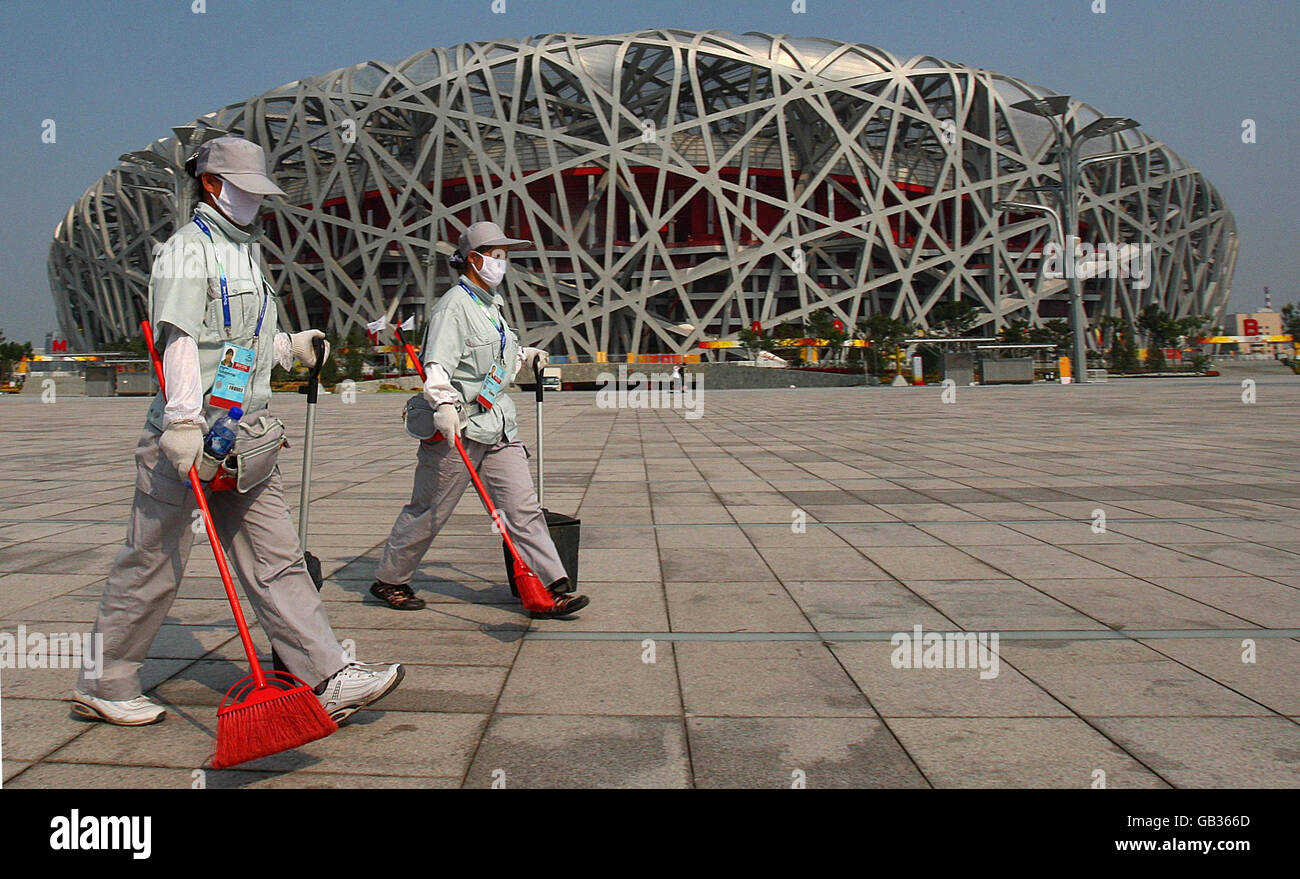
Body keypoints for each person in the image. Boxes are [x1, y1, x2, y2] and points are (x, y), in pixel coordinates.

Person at [71, 136, 403, 726]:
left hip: (244, 437)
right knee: (153, 561)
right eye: (246, 190)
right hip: (189, 436)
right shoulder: (186, 251)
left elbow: (236, 344)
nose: (256, 202)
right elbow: (179, 341)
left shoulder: (245, 252)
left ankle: (326, 674)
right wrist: (179, 422)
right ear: (212, 185)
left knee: (277, 559)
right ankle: (106, 681)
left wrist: (286, 348)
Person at [370, 222, 590, 616]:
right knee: (431, 508)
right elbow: (436, 366)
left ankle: (552, 585)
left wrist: (526, 356)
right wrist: (442, 407)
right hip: (461, 426)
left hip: (499, 425)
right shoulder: (453, 306)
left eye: (505, 255)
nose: (503, 262)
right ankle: (390, 579)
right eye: (497, 255)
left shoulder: (491, 304)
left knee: (523, 507)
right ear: (474, 259)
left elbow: (498, 353)